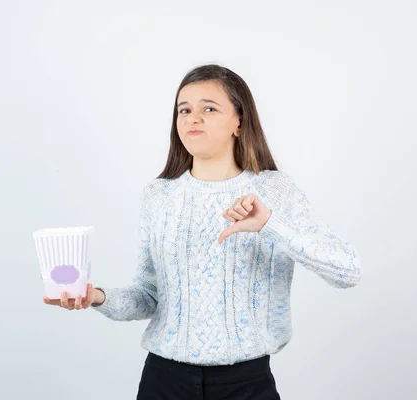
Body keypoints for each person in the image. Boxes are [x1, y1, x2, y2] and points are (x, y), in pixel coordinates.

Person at [43, 64, 363, 399]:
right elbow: (149, 298)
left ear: (239, 122)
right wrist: (97, 296)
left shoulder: (275, 191)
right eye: (184, 110)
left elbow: (348, 271)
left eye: (208, 108)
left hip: (246, 384)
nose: (193, 118)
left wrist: (269, 225)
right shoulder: (158, 196)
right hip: (163, 381)